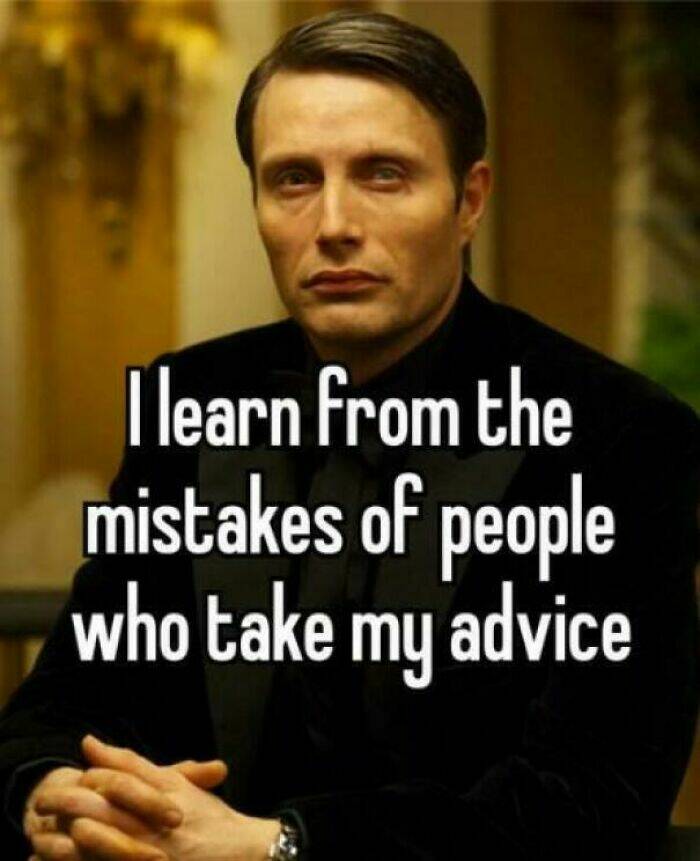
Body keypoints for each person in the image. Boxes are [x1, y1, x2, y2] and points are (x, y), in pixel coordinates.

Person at [1, 11, 698, 861]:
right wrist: (48, 790)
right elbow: (65, 696)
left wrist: (277, 847)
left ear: (469, 201)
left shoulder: (621, 435)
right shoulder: (191, 396)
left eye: (383, 174)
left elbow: (595, 797)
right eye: (294, 178)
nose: (333, 222)